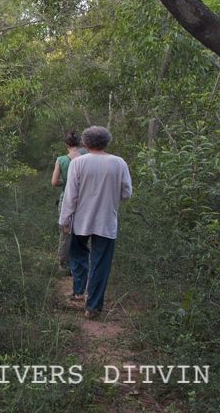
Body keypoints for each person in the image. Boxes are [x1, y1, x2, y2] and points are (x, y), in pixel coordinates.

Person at [58, 126, 132, 319]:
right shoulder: (119, 163)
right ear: (107, 142)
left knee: (78, 254)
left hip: (81, 221)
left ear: (85, 142)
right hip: (106, 221)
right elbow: (126, 193)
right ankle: (93, 306)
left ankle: (80, 289)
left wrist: (65, 220)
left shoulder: (78, 163)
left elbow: (70, 196)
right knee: (101, 263)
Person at [50, 131, 83, 273]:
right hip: (83, 199)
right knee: (82, 231)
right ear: (80, 143)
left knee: (65, 231)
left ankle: (63, 265)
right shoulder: (86, 157)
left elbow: (54, 182)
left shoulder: (61, 159)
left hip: (67, 198)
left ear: (66, 144)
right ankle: (80, 263)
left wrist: (66, 182)